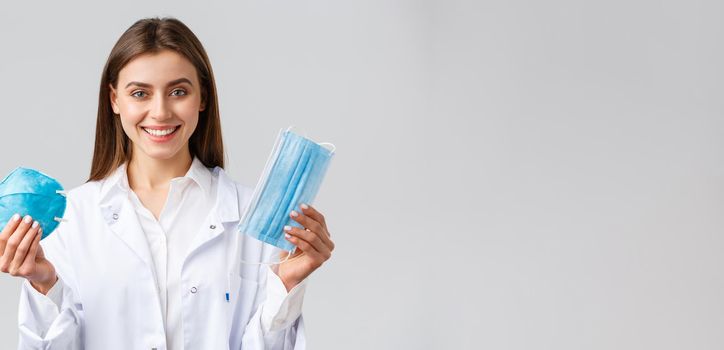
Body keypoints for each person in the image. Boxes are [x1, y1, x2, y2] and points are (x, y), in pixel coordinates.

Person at [0, 16, 335, 349]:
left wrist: (286, 283)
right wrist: (44, 285)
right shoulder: (70, 219)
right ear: (114, 99)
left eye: (178, 91)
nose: (160, 112)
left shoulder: (252, 217)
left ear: (202, 97)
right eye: (140, 93)